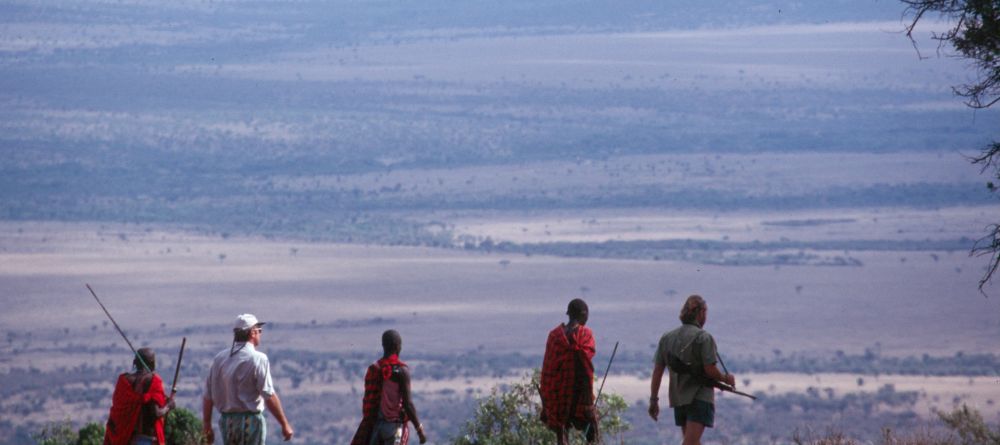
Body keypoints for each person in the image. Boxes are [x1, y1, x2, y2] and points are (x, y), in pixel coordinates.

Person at [648, 295, 736, 445]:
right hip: (700, 398)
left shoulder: (667, 338)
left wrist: (654, 400)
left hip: (679, 398)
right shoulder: (704, 337)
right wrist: (726, 378)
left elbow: (657, 371)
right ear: (701, 313)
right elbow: (710, 370)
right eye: (705, 313)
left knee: (691, 442)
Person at [203, 314, 293, 445]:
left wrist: (207, 425)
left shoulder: (220, 359)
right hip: (250, 421)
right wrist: (284, 424)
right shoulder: (258, 359)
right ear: (252, 333)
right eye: (259, 331)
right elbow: (268, 394)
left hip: (228, 422)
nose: (260, 334)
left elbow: (208, 396)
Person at [350, 329, 427, 445]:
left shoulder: (374, 369)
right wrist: (419, 430)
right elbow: (408, 404)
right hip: (395, 428)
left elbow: (369, 400)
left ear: (383, 346)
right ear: (397, 346)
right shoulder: (401, 371)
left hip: (376, 427)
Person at [540, 298, 599, 445]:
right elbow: (585, 369)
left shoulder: (554, 336)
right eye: (587, 315)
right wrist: (588, 401)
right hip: (579, 394)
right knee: (592, 433)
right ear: (583, 314)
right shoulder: (585, 334)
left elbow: (548, 369)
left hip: (557, 393)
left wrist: (546, 400)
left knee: (562, 433)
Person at [104, 347, 175, 445]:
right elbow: (156, 413)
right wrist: (169, 406)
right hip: (147, 440)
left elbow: (117, 412)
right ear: (151, 363)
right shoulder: (154, 380)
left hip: (125, 440)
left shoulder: (123, 381)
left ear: (135, 363)